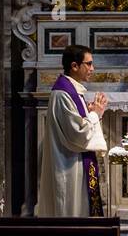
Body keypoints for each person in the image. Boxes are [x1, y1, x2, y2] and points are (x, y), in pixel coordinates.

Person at [35, 45, 109, 216]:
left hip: (74, 162)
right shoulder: (63, 94)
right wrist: (95, 114)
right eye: (88, 64)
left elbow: (77, 124)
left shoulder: (72, 90)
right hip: (68, 166)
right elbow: (78, 134)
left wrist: (91, 113)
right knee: (70, 210)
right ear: (75, 66)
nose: (92, 68)